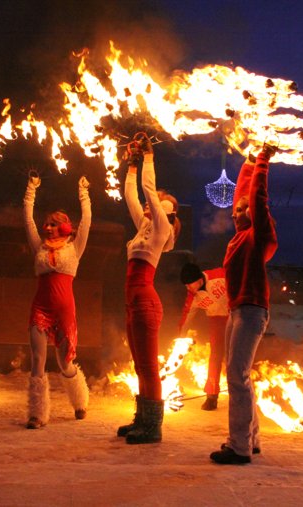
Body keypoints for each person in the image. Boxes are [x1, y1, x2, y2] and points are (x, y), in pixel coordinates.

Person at [209, 144, 278, 465]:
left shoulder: (258, 235)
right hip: (237, 311)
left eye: (243, 208)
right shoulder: (236, 238)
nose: (238, 210)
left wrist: (262, 163)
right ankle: (252, 439)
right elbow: (244, 193)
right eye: (236, 208)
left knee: (237, 376)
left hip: (252, 311)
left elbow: (257, 198)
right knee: (238, 374)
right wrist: (248, 163)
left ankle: (239, 447)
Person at [116, 132, 181, 445]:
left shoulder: (161, 228)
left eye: (155, 204)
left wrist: (149, 157)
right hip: (134, 303)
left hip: (145, 302)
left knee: (149, 366)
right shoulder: (143, 228)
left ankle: (153, 428)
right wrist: (131, 164)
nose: (147, 205)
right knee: (140, 365)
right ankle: (142, 420)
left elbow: (148, 191)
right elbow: (133, 195)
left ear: (166, 210)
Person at [23, 171, 92, 429]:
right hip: (40, 309)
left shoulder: (74, 248)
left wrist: (83, 193)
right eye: (47, 224)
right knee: (37, 359)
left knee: (65, 363)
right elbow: (28, 221)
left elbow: (86, 222)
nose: (47, 227)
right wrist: (31, 189)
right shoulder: (39, 247)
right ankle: (37, 415)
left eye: (53, 224)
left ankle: (80, 401)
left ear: (64, 226)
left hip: (64, 311)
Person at [177, 262, 228, 411]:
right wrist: (180, 337)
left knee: (236, 356)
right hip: (216, 321)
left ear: (199, 280)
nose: (187, 288)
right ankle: (212, 396)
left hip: (235, 315)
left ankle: (243, 393)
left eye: (189, 284)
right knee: (215, 357)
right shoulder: (193, 296)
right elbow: (186, 316)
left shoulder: (219, 275)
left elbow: (240, 282)